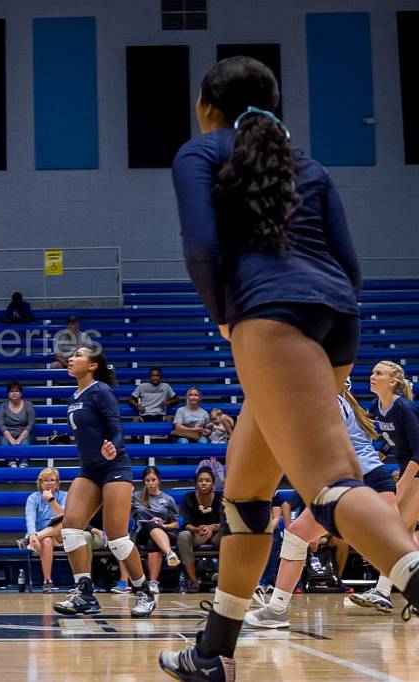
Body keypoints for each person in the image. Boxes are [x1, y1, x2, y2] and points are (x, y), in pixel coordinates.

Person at [159, 56, 419, 679]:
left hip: (271, 318)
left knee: (327, 485)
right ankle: (212, 654)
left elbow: (200, 246)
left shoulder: (200, 153)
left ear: (206, 106)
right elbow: (350, 266)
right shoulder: (309, 166)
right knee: (246, 498)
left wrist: (227, 315)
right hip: (338, 321)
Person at [247, 383, 399, 627]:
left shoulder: (327, 401)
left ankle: (277, 609)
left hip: (356, 478)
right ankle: (276, 609)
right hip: (366, 478)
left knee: (395, 547)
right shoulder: (341, 401)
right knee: (394, 543)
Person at [53, 345, 157, 618]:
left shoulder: (101, 390)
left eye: (78, 355)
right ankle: (85, 594)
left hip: (115, 468)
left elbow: (116, 429)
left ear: (92, 366)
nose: (71, 358)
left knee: (118, 539)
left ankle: (144, 591)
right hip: (89, 470)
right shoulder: (75, 396)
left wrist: (113, 447)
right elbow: (86, 432)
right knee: (71, 529)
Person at [350, 362, 419, 612]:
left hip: (415, 472)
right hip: (409, 470)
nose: (372, 376)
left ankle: (382, 591)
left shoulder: (403, 407)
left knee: (396, 530)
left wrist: (401, 483)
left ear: (393, 382)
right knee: (406, 534)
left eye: (379, 373)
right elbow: (388, 444)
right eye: (372, 372)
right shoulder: (376, 407)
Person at [132, 466, 181, 594]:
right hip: (141, 533)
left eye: (153, 480)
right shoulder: (136, 497)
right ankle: (169, 553)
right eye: (147, 480)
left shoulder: (168, 499)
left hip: (163, 533)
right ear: (144, 482)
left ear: (159, 481)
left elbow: (175, 524)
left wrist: (164, 526)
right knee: (150, 524)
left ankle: (153, 582)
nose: (150, 483)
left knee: (153, 541)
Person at [178, 468, 223, 592]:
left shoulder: (220, 497)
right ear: (196, 483)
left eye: (207, 480)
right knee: (183, 536)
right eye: (200, 480)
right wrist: (197, 530)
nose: (203, 483)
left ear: (213, 484)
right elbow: (186, 523)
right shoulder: (189, 497)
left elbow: (225, 521)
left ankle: (222, 580)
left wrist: (212, 527)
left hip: (216, 533)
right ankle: (194, 581)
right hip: (196, 534)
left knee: (229, 534)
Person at [24, 468, 67, 592]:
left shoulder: (64, 496)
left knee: (64, 522)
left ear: (57, 483)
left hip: (60, 533)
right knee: (47, 540)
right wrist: (32, 533)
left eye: (52, 480)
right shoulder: (33, 498)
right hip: (42, 537)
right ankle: (47, 581)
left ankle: (35, 537)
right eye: (45, 481)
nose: (48, 483)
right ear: (40, 483)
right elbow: (30, 518)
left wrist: (51, 500)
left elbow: (63, 516)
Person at [0, 381, 35, 467]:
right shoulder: (3, 406)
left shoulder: (28, 405)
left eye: (17, 391)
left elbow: (31, 423)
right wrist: (10, 438)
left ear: (21, 394)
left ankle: (23, 463)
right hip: (8, 434)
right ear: (8, 394)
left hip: (25, 434)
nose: (14, 393)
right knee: (4, 441)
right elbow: (1, 424)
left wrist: (20, 439)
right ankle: (11, 462)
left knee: (25, 441)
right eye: (11, 391)